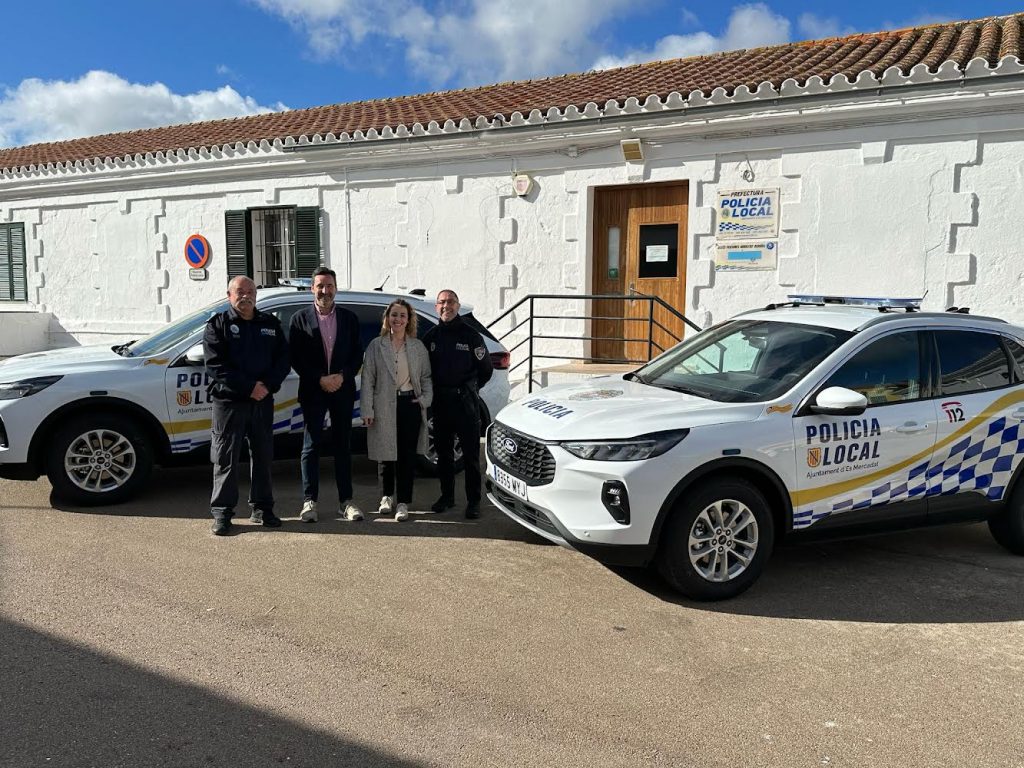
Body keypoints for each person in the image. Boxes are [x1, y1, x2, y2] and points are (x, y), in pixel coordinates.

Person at [204, 275, 291, 536]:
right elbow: (215, 365)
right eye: (240, 291)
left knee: (263, 456)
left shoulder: (270, 324)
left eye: (251, 291)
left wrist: (267, 386)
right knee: (225, 458)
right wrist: (248, 387)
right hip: (230, 402)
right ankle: (222, 513)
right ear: (229, 295)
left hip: (262, 401)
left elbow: (283, 359)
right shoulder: (218, 325)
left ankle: (263, 509)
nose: (246, 295)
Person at [289, 267, 364, 523]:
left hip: (342, 389)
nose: (325, 291)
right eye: (320, 286)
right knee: (310, 447)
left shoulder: (349, 319)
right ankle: (309, 501)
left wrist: (342, 376)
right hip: (314, 390)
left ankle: (346, 502)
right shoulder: (299, 319)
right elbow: (296, 358)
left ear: (336, 288)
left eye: (329, 286)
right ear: (312, 289)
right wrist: (319, 379)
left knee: (343, 445)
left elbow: (357, 354)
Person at [422, 289, 493, 518]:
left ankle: (473, 501)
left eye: (450, 302)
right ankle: (447, 497)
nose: (446, 306)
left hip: (465, 404)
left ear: (457, 305)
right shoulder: (431, 337)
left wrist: (469, 390)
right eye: (442, 302)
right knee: (444, 455)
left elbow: (486, 371)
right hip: (441, 404)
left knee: (471, 457)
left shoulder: (471, 336)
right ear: (436, 307)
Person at [361, 300, 433, 522]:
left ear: (409, 320)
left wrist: (424, 399)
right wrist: (367, 409)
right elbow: (368, 380)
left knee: (406, 455)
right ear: (387, 318)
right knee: (385, 454)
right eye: (394, 315)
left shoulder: (417, 347)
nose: (398, 319)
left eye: (402, 315)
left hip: (409, 405)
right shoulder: (376, 345)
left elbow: (426, 378)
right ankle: (386, 497)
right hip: (383, 405)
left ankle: (403, 502)